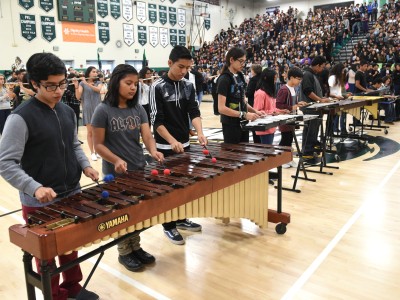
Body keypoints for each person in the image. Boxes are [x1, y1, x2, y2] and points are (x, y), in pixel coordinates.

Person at [0, 52, 100, 300]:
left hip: (71, 192)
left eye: (62, 83)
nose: (58, 91)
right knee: (46, 257)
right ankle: (53, 295)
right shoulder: (20, 117)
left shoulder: (66, 111)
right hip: (41, 201)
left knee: (70, 248)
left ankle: (72, 288)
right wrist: (34, 188)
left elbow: (74, 144)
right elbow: (5, 162)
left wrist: (85, 165)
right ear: (34, 84)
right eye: (51, 86)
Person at [92, 64, 164, 271]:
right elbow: (98, 145)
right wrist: (115, 160)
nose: (133, 88)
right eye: (128, 83)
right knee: (122, 214)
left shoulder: (138, 108)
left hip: (138, 167)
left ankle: (135, 246)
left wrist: (153, 150)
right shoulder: (102, 110)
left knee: (137, 213)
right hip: (116, 173)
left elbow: (147, 135)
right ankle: (124, 251)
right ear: (116, 83)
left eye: (136, 84)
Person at [149, 45, 207, 245]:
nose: (183, 71)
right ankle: (168, 226)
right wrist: (172, 141)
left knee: (183, 185)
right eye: (180, 67)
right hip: (165, 147)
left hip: (185, 145)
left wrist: (199, 133)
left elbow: (194, 112)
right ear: (169, 63)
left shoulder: (188, 86)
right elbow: (156, 121)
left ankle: (181, 218)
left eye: (187, 68)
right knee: (168, 188)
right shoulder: (156, 87)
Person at [217, 47, 263, 144]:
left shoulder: (240, 76)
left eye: (244, 62)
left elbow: (243, 101)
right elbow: (221, 108)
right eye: (241, 61)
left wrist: (255, 111)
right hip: (231, 125)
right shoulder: (224, 79)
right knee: (233, 155)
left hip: (243, 123)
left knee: (243, 154)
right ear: (232, 60)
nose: (243, 64)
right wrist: (244, 114)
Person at [299, 56, 331, 157]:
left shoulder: (312, 74)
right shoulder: (307, 74)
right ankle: (307, 151)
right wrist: (320, 100)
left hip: (314, 107)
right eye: (322, 67)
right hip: (309, 107)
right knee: (310, 130)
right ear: (317, 65)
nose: (322, 69)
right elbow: (308, 91)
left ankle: (310, 147)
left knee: (312, 129)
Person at [276, 67, 306, 168]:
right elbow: (279, 105)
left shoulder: (293, 89)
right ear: (291, 77)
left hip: (292, 118)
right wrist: (292, 107)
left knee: (289, 139)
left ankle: (288, 159)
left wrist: (298, 104)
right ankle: (280, 160)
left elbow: (293, 103)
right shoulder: (284, 89)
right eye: (298, 79)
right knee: (285, 139)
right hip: (285, 119)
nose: (299, 81)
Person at [253, 69, 288, 144]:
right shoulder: (260, 93)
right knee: (266, 152)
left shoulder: (269, 92)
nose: (275, 81)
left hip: (271, 126)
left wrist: (281, 111)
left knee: (269, 151)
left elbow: (272, 108)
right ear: (267, 78)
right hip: (264, 127)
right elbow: (257, 111)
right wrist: (273, 112)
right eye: (274, 79)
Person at [76, 66, 103, 161]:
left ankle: (98, 151)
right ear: (88, 73)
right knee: (90, 132)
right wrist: (76, 85)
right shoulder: (82, 84)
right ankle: (92, 152)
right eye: (93, 72)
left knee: (98, 132)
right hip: (87, 109)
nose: (96, 73)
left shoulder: (98, 82)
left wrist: (86, 83)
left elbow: (98, 90)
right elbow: (78, 96)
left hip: (98, 109)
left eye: (96, 72)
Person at [329, 63, 351, 134]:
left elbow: (341, 92)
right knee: (334, 117)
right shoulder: (332, 78)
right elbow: (328, 92)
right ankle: (333, 130)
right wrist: (336, 96)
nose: (343, 72)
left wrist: (346, 94)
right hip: (333, 101)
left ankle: (341, 130)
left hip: (340, 101)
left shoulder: (340, 79)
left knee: (340, 115)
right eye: (342, 71)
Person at [245, 64, 262, 143]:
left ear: (254, 71)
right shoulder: (263, 78)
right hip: (262, 103)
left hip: (253, 103)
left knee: (254, 123)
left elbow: (249, 93)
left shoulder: (253, 79)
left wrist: (246, 92)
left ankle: (256, 143)